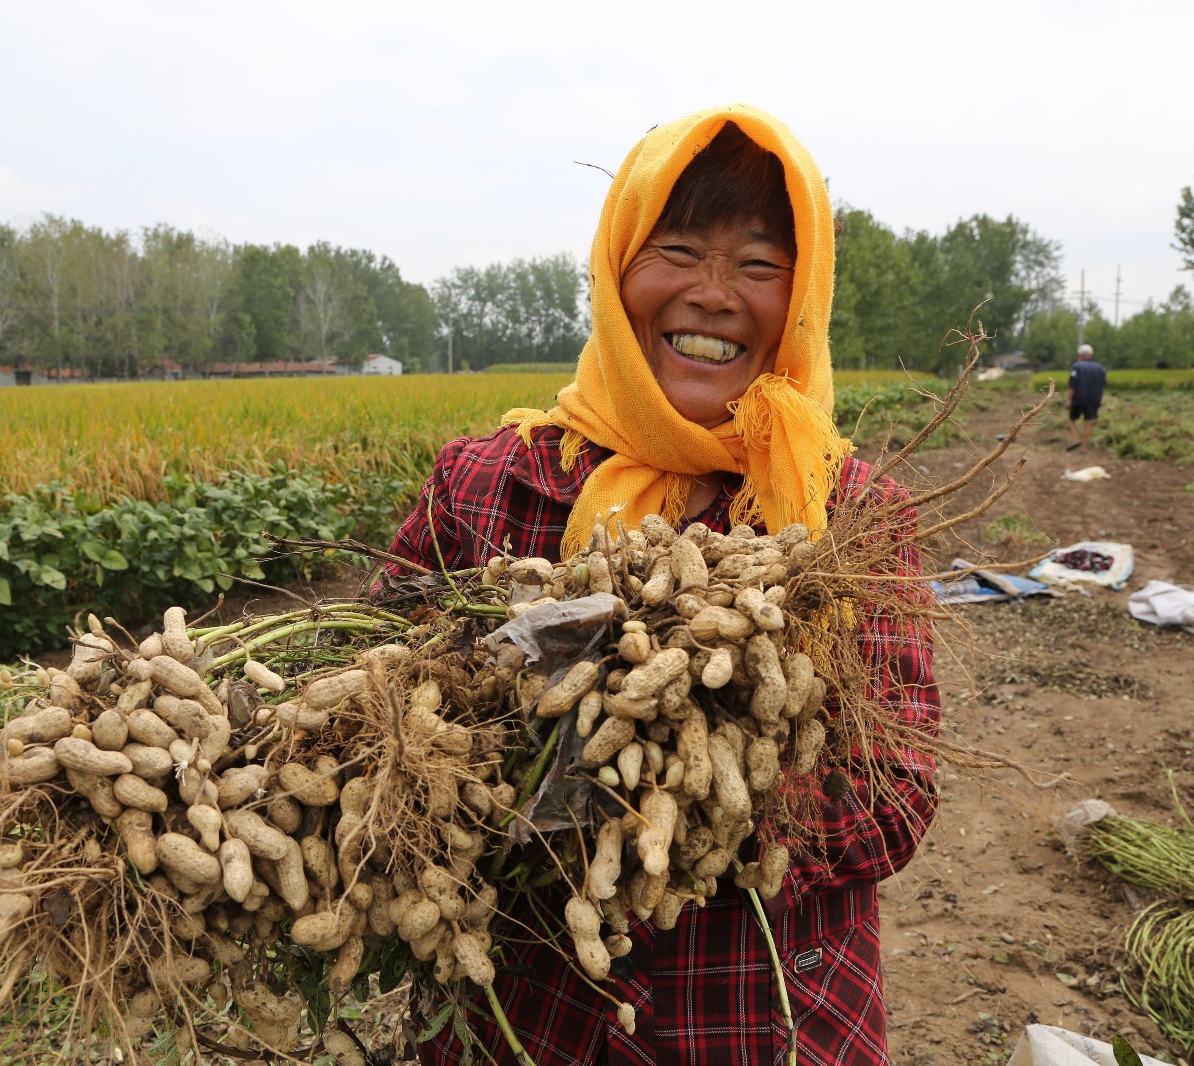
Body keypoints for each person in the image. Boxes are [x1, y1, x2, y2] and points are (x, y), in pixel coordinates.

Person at [384, 104, 940, 1066]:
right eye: (677, 250)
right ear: (617, 269)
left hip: (763, 1017)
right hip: (528, 1011)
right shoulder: (481, 484)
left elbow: (898, 793)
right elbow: (378, 703)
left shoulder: (849, 514)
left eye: (760, 266)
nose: (716, 295)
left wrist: (678, 812)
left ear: (801, 296)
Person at [1066, 344, 1107, 453]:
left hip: (1078, 399)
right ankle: (1084, 448)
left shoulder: (1077, 366)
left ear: (1080, 355)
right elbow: (1103, 385)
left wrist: (1069, 399)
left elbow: (1073, 385)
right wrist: (1101, 399)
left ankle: (1075, 440)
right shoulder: (1100, 368)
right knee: (1088, 422)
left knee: (1072, 420)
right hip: (1093, 400)